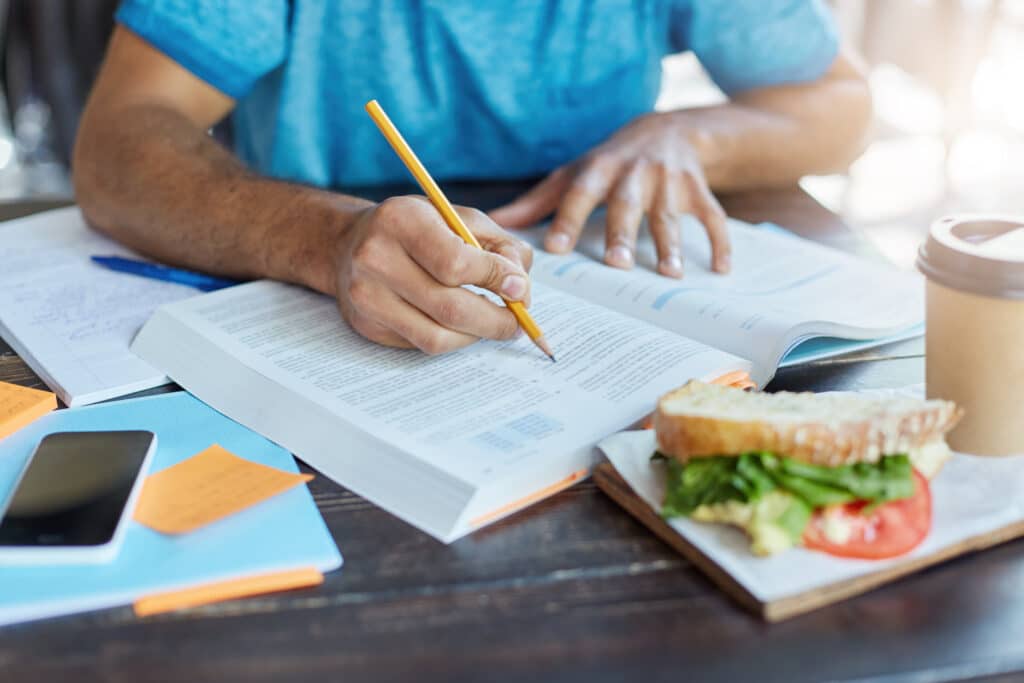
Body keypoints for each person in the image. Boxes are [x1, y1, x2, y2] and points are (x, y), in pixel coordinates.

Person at [73, 1, 871, 355]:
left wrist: (690, 136)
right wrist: (325, 237)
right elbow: (116, 145)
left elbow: (842, 106)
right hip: (308, 307)